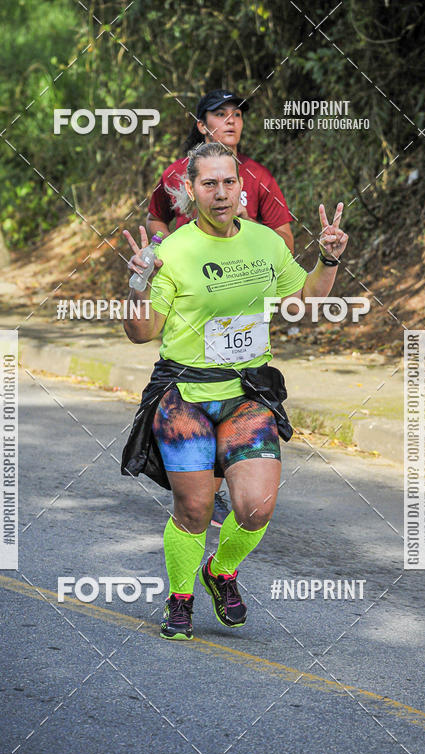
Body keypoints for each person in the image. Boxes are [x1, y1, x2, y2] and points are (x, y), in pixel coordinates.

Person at [121, 142, 348, 641]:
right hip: (185, 394)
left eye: (228, 182)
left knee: (256, 506)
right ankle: (180, 595)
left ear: (241, 188)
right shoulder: (172, 252)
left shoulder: (266, 242)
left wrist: (327, 260)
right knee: (196, 509)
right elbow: (141, 333)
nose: (220, 193)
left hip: (247, 392)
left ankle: (220, 572)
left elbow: (305, 299)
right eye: (208, 184)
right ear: (190, 191)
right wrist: (138, 283)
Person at [146, 88, 295, 525]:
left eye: (237, 114)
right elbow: (156, 215)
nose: (231, 121)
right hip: (188, 290)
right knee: (197, 499)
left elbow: (283, 233)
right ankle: (200, 490)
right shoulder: (176, 173)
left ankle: (222, 478)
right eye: (220, 115)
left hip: (240, 294)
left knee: (233, 380)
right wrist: (160, 254)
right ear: (200, 126)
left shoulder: (259, 176)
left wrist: (255, 261)